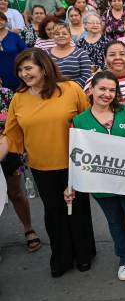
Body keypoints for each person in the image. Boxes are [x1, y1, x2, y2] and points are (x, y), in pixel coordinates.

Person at [1, 49, 95, 277]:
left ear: (44, 68)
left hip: (75, 163)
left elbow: (89, 121)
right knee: (54, 213)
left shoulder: (71, 89)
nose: (24, 74)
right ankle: (61, 258)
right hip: (41, 167)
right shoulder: (19, 98)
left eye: (28, 68)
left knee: (78, 210)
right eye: (20, 70)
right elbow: (11, 136)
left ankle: (85, 254)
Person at [66, 71, 125, 281]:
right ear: (91, 90)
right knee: (115, 222)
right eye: (102, 89)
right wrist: (70, 185)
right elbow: (75, 155)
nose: (107, 94)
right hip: (101, 184)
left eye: (112, 90)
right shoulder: (79, 121)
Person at [0, 80, 41, 253]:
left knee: (15, 192)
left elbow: (19, 122)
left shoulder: (6, 94)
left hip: (9, 150)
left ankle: (28, 229)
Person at [0, 12, 27, 90]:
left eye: (1, 20)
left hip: (17, 74)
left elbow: (26, 53)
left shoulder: (14, 36)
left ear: (6, 21)